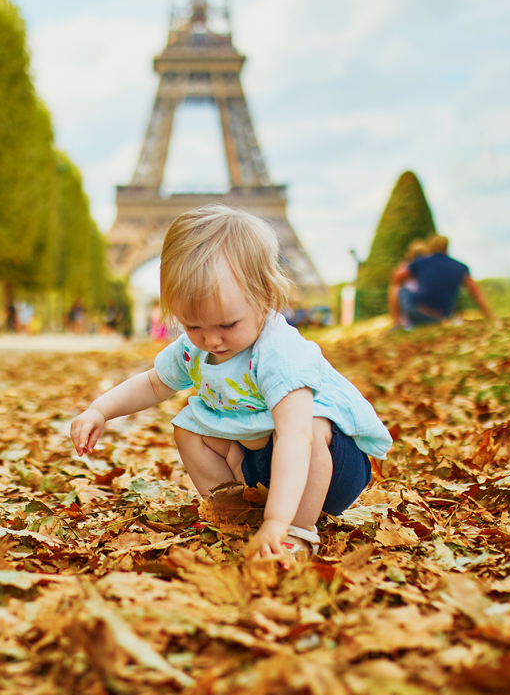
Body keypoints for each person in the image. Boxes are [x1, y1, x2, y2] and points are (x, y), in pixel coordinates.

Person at [70, 204, 392, 559]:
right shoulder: (196, 349)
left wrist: (277, 520)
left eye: (227, 325)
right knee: (188, 428)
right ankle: (230, 509)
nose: (212, 340)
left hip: (329, 468)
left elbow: (295, 439)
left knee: (312, 426)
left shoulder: (279, 353)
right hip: (260, 465)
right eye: (193, 326)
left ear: (265, 297)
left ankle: (296, 531)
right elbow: (153, 384)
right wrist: (100, 411)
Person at [388, 235, 494, 329]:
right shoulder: (460, 266)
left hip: (416, 313)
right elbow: (475, 293)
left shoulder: (421, 262)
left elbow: (396, 277)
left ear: (431, 247)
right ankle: (438, 320)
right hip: (443, 315)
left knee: (403, 290)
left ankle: (397, 323)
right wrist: (490, 316)